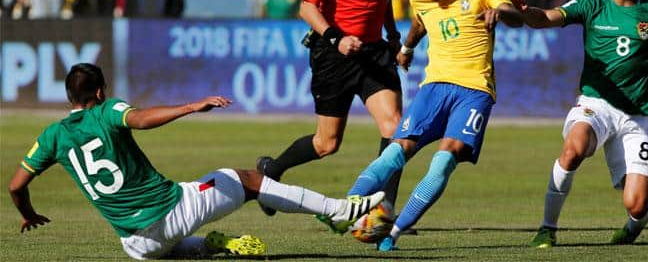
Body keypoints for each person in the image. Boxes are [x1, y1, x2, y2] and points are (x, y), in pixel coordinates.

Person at [8, 63, 385, 260]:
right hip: (169, 212)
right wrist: (190, 106)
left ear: (69, 97)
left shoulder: (51, 136)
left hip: (134, 246)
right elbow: (139, 118)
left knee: (167, 247)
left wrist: (27, 212)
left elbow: (15, 186)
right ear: (101, 91)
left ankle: (211, 244)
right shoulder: (107, 111)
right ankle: (338, 211)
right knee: (249, 178)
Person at [326, 0, 524, 251]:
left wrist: (501, 11)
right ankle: (343, 209)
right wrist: (407, 48)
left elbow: (513, 14)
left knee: (443, 161)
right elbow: (420, 23)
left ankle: (393, 233)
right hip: (434, 88)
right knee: (396, 151)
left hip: (475, 90)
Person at [511, 0, 648, 248]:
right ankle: (547, 228)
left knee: (637, 205)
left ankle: (634, 225)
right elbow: (546, 17)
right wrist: (526, 12)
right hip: (595, 105)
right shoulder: (591, 5)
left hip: (638, 116)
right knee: (574, 148)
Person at [256, 0, 404, 216]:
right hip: (334, 54)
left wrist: (392, 35)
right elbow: (306, 6)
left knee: (395, 128)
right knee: (327, 144)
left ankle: (384, 209)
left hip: (373, 52)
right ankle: (272, 170)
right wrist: (337, 37)